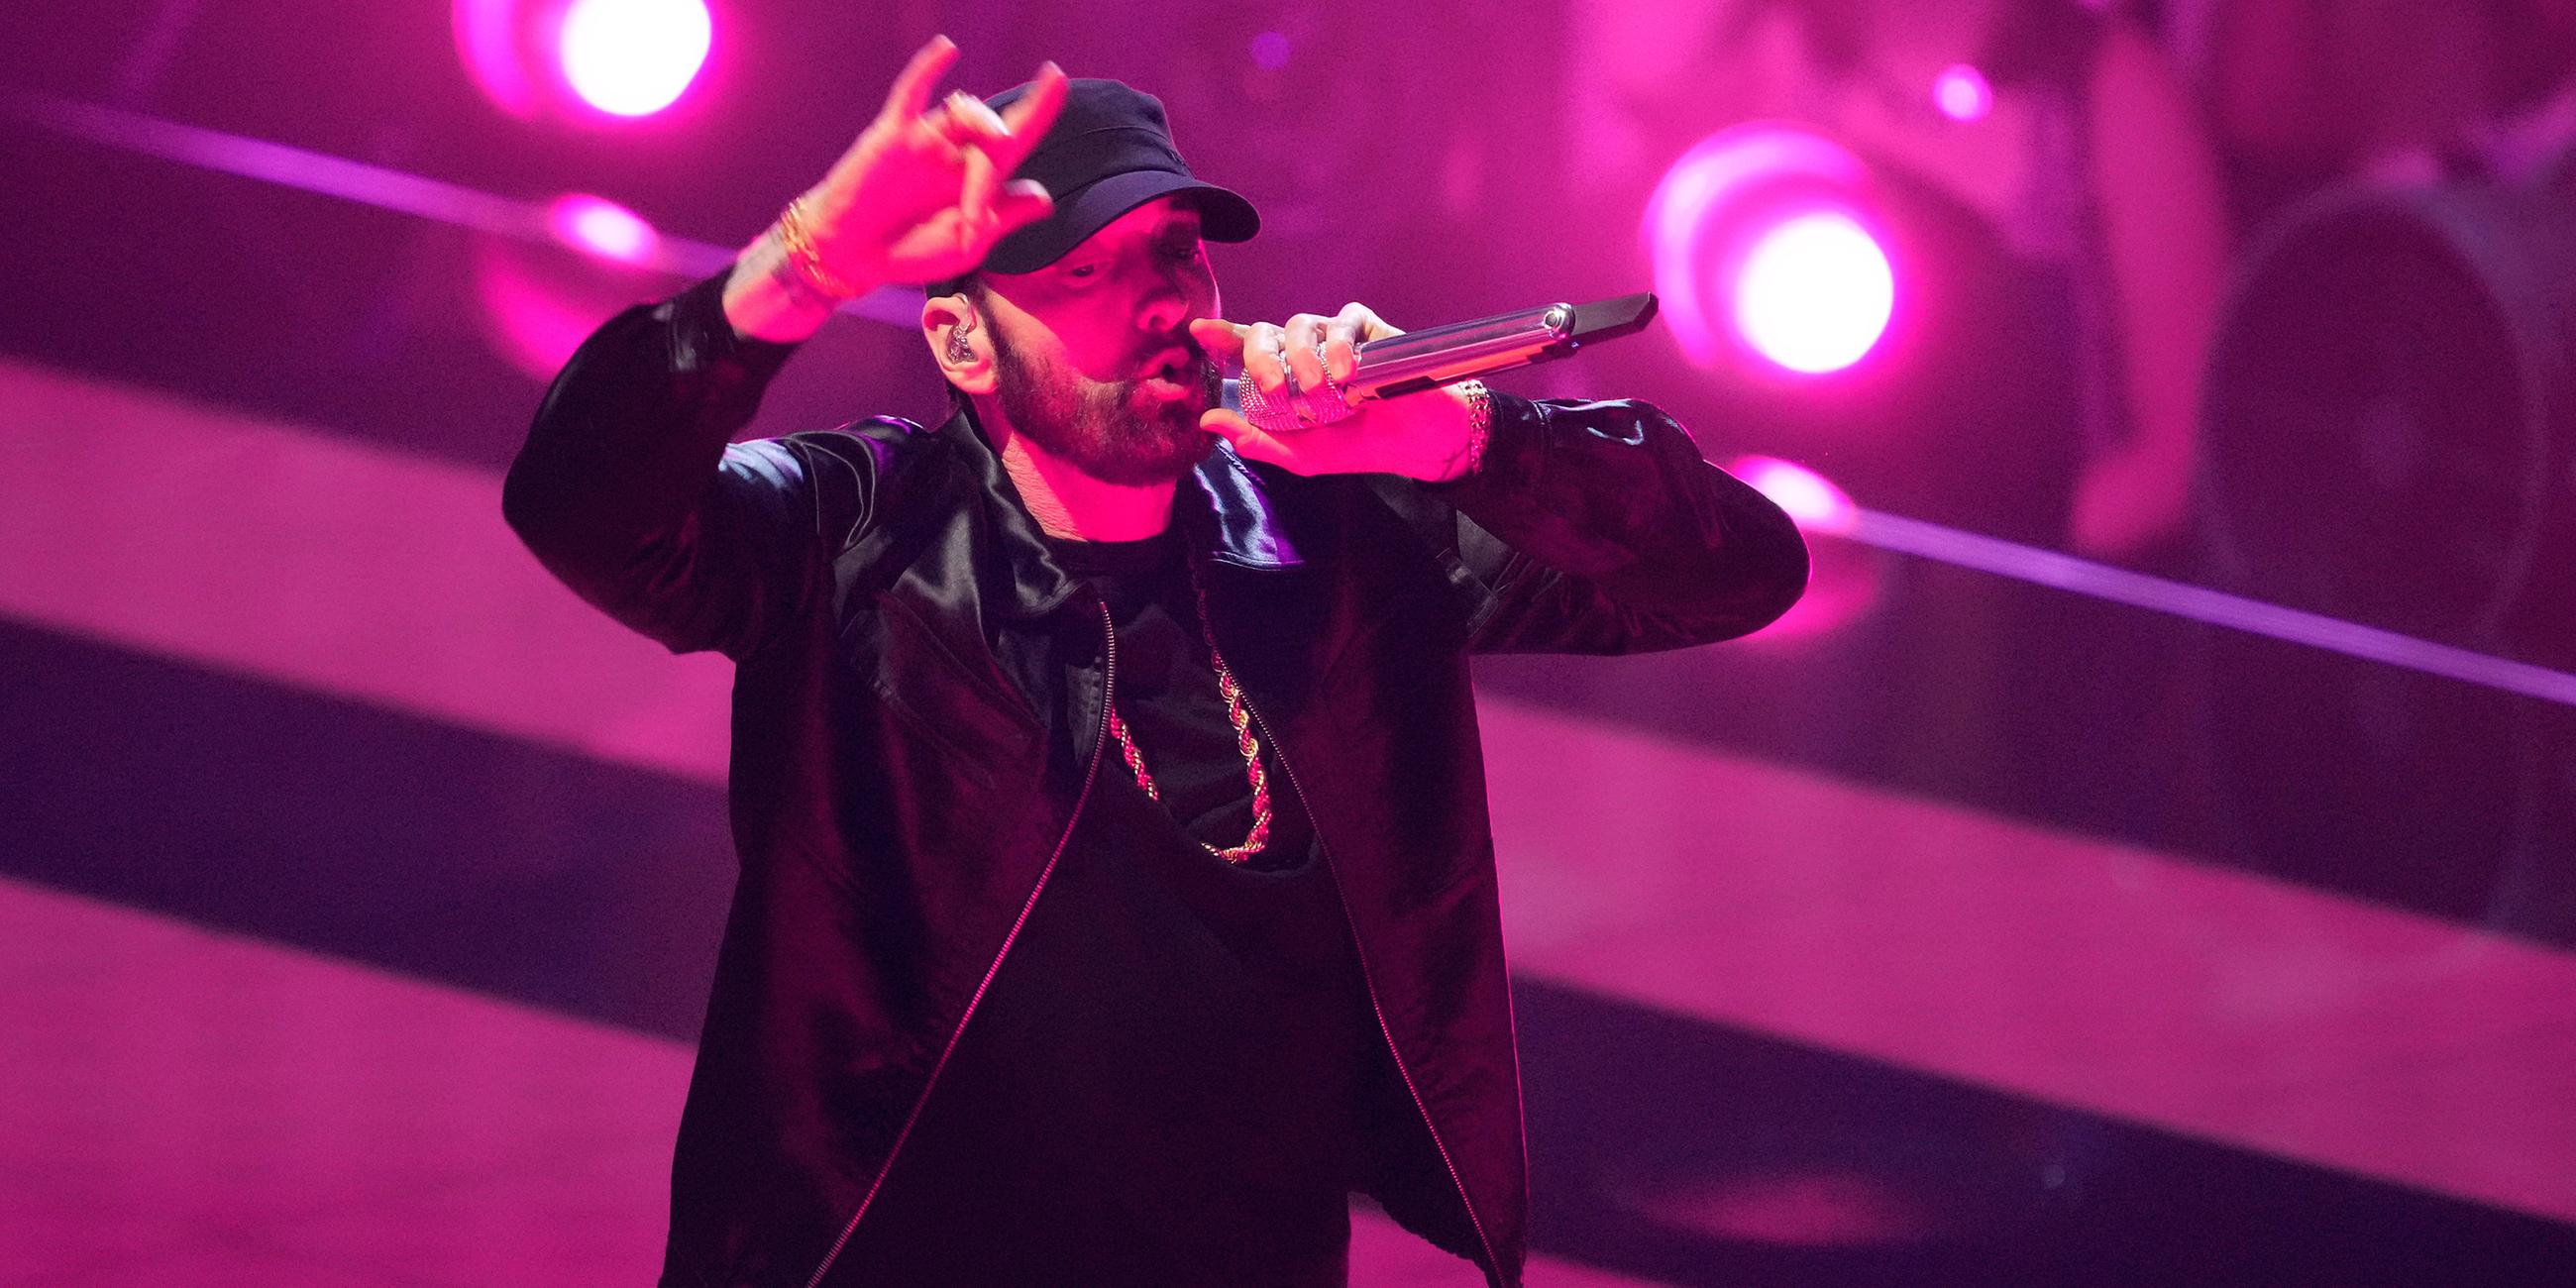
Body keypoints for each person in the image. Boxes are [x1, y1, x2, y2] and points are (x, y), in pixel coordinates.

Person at [503, 36, 1807, 1288]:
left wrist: (1459, 437)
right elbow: (581, 503)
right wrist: (798, 269)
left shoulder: (1344, 537)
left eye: (1176, 252)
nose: (1161, 302)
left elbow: (1742, 572)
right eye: (1084, 270)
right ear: (962, 342)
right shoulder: (856, 529)